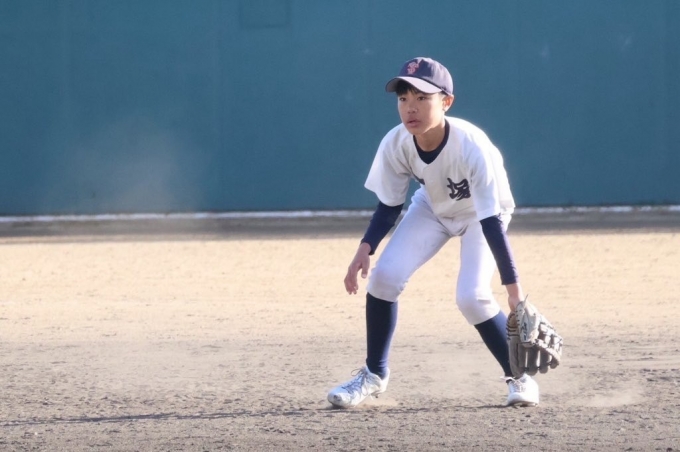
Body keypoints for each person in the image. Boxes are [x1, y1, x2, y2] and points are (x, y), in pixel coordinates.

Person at [327, 57, 539, 408]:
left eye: (422, 98)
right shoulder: (396, 143)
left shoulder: (472, 146)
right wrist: (365, 247)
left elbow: (490, 222)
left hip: (482, 215)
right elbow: (389, 206)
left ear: (446, 102)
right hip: (433, 206)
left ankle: (519, 376)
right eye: (403, 98)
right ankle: (374, 374)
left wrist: (514, 293)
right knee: (383, 279)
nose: (410, 107)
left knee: (472, 297)